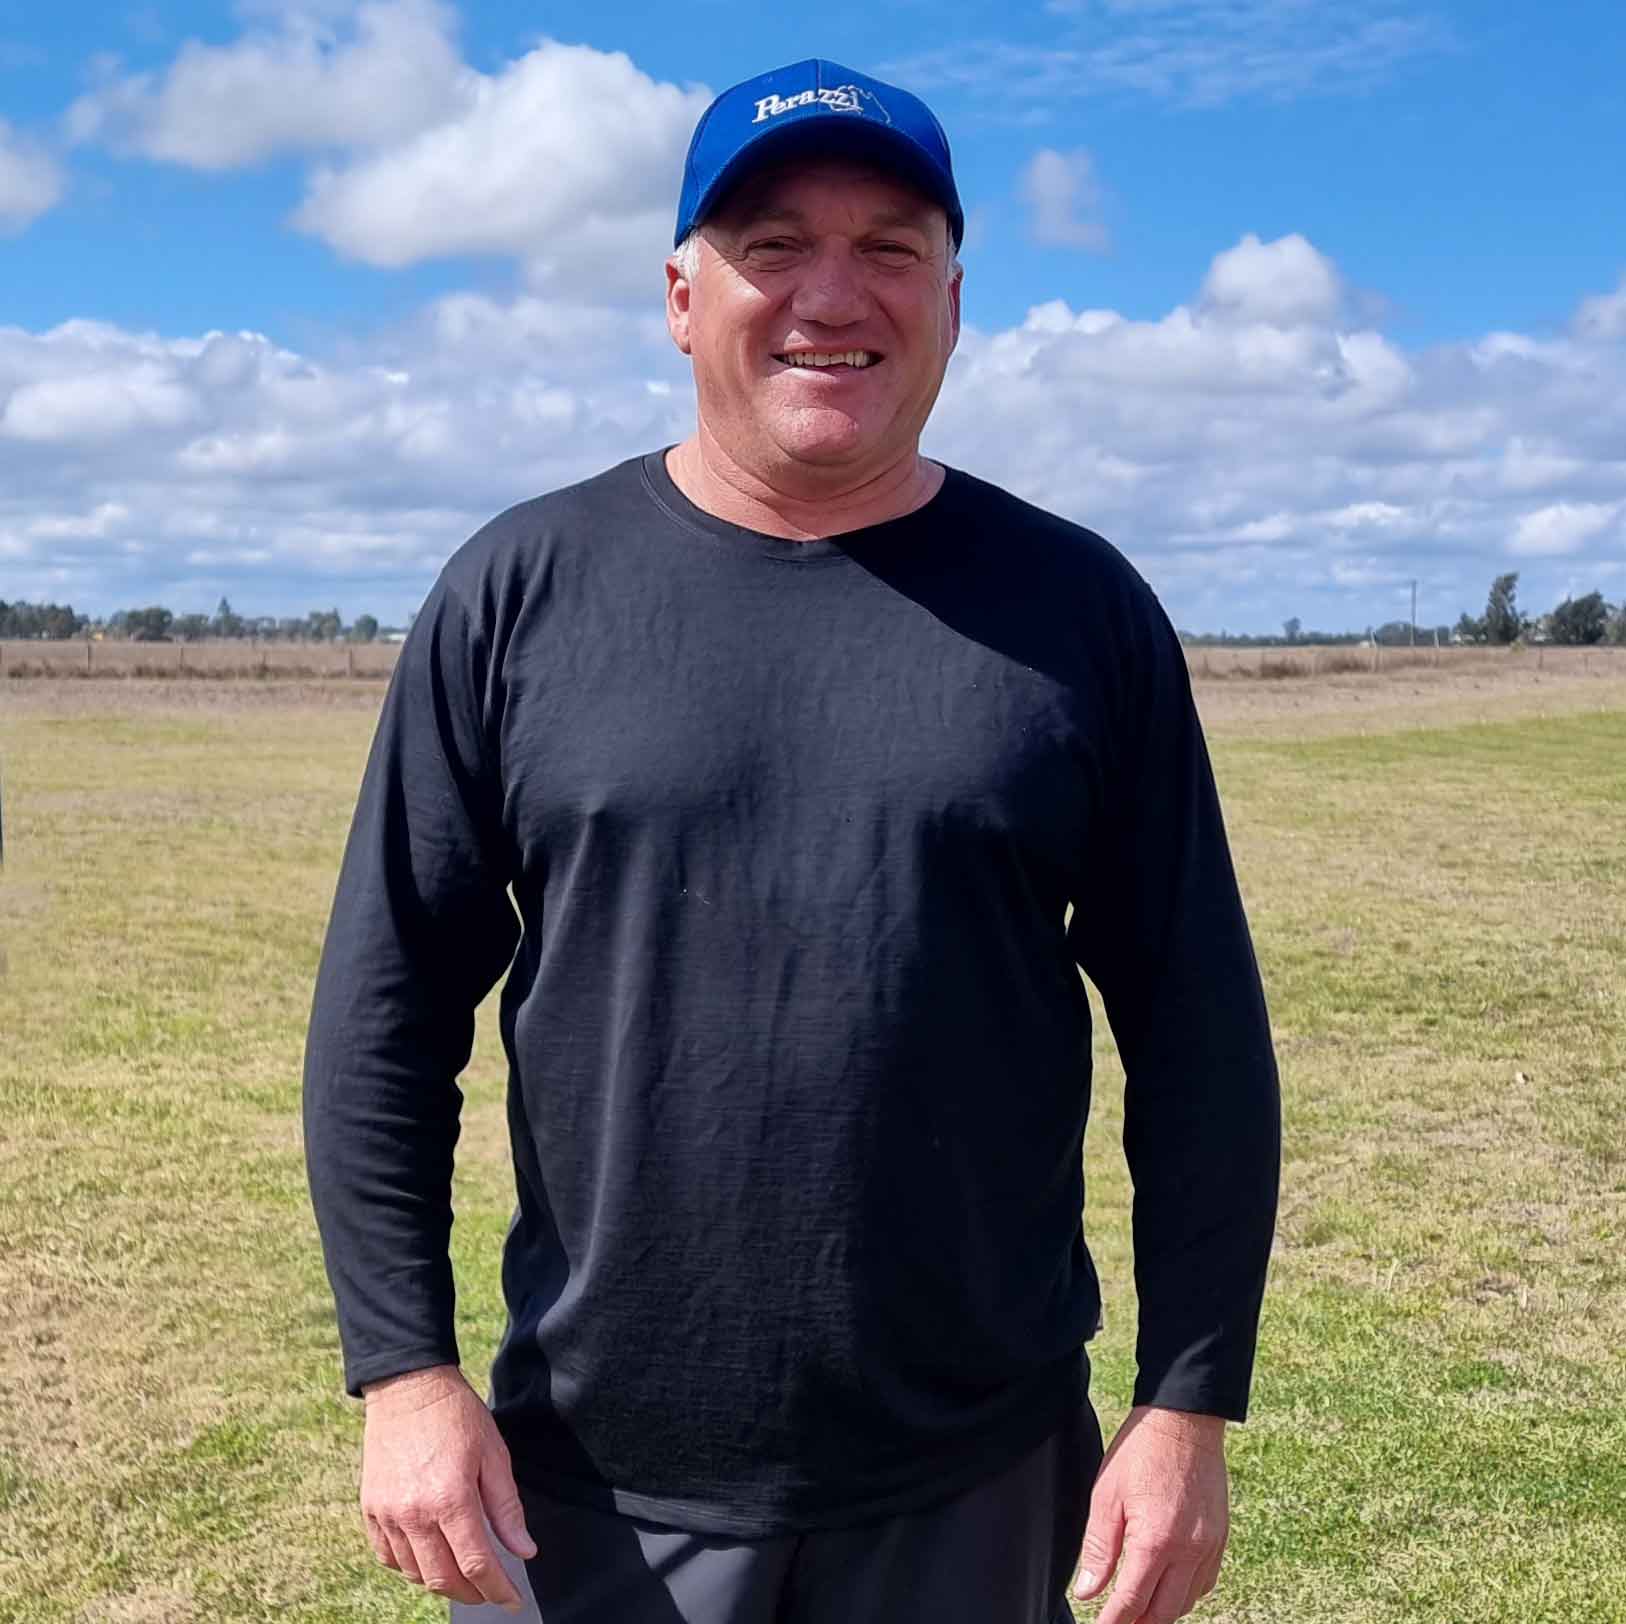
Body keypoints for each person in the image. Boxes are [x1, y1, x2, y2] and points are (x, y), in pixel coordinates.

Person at [302, 57, 1281, 1624]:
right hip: (592, 1473)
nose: (835, 294)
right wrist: (404, 1375)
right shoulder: (519, 591)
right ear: (683, 295)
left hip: (975, 1461)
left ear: (953, 301)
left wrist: (1186, 1405)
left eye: (889, 247)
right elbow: (385, 1011)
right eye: (774, 246)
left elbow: (1199, 1038)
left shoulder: (1077, 611)